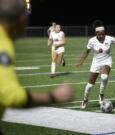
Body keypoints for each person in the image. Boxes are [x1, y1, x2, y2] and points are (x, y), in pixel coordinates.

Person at [0, 0, 74, 134]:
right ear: (21, 19)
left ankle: (61, 62)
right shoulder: (3, 45)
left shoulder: (5, 40)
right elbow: (11, 96)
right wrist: (55, 97)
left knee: (58, 60)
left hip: (60, 49)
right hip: (54, 49)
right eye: (27, 18)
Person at [76, 20, 115, 109]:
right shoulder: (91, 41)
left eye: (103, 34)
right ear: (96, 33)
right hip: (96, 63)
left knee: (104, 77)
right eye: (99, 34)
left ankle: (101, 95)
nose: (101, 36)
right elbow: (86, 52)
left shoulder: (109, 38)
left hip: (107, 61)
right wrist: (81, 61)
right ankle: (85, 99)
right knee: (90, 85)